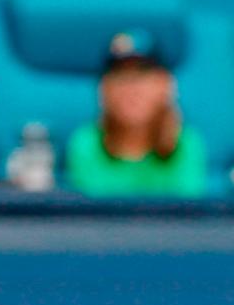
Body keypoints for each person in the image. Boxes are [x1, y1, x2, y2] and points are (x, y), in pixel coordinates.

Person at [65, 30, 206, 198]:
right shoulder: (85, 143)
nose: (131, 89)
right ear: (104, 89)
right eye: (120, 77)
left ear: (164, 84)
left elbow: (185, 216)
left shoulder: (187, 145)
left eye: (142, 76)